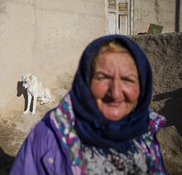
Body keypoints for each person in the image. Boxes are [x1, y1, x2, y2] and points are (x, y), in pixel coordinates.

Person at [10, 35, 167, 174]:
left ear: (142, 86)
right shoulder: (48, 135)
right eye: (103, 77)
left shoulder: (147, 132)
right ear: (86, 82)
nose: (116, 93)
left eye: (128, 80)